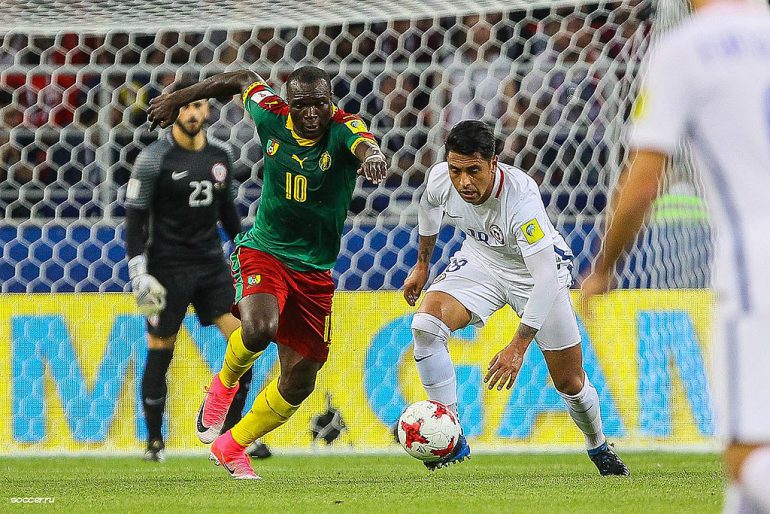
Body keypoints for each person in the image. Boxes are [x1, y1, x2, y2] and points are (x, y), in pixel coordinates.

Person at [147, 65, 387, 479]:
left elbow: (366, 144)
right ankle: (222, 386)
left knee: (300, 380)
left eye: (320, 104)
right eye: (302, 106)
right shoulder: (270, 114)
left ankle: (232, 445)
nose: (312, 114)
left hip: (314, 271)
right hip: (265, 250)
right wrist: (181, 97)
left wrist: (375, 157)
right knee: (259, 328)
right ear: (287, 104)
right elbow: (241, 77)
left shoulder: (345, 127)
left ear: (331, 100)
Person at [581, 1, 770, 511]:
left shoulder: (686, 49)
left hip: (757, 263)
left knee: (745, 453)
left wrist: (604, 268)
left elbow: (643, 181)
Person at [403, 120, 628, 475]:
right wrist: (422, 265)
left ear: (493, 163)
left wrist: (517, 347)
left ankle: (598, 445)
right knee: (426, 326)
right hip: (482, 260)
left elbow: (543, 280)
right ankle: (450, 432)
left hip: (535, 276)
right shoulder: (440, 179)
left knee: (569, 381)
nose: (464, 182)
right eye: (456, 170)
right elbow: (429, 208)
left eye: (474, 171)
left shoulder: (521, 200)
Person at [124, 81, 265, 462]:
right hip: (164, 268)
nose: (192, 113)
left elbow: (229, 217)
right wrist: (139, 273)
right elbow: (134, 221)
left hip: (209, 266)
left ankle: (236, 434)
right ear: (175, 112)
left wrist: (249, 253)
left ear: (207, 112)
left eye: (199, 105)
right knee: (160, 349)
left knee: (245, 343)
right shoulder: (154, 159)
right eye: (186, 106)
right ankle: (154, 442)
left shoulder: (220, 157)